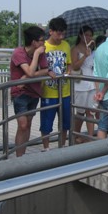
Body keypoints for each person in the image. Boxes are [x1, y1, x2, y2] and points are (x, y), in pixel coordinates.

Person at [10, 26, 55, 157]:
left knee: (28, 124)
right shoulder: (18, 53)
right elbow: (30, 72)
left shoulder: (42, 54)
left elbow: (46, 70)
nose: (44, 43)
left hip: (34, 92)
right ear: (34, 42)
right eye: (41, 40)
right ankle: (19, 157)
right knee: (23, 125)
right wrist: (36, 55)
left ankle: (22, 155)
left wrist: (30, 75)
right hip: (20, 92)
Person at [40, 18, 72, 151]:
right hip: (48, 91)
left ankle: (62, 145)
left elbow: (69, 63)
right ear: (51, 31)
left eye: (63, 33)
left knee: (65, 122)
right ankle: (46, 148)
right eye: (59, 33)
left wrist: (69, 72)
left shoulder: (66, 45)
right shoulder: (43, 47)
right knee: (46, 122)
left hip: (65, 90)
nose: (61, 37)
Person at [71, 25, 96, 142]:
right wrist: (85, 55)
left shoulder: (92, 50)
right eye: (86, 35)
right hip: (80, 85)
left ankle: (90, 137)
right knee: (80, 112)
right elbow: (75, 66)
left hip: (91, 83)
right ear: (81, 36)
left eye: (90, 35)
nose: (89, 37)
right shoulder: (75, 49)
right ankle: (76, 135)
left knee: (90, 111)